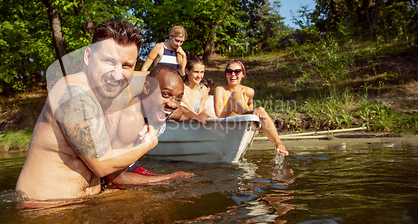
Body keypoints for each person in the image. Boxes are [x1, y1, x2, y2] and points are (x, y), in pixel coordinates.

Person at [15, 20, 189, 202]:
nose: (116, 73)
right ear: (88, 57)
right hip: (46, 211)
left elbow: (161, 83)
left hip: (89, 202)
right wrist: (150, 140)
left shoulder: (117, 81)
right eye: (109, 61)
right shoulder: (73, 92)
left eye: (127, 65)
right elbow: (102, 165)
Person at [213, 59, 288, 156]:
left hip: (241, 125)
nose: (233, 74)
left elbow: (251, 107)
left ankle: (279, 145)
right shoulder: (220, 90)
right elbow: (219, 116)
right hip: (225, 124)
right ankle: (251, 115)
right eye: (229, 71)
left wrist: (254, 120)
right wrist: (250, 114)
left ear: (242, 74)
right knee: (235, 95)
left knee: (260, 109)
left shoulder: (249, 92)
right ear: (226, 74)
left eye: (237, 71)